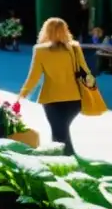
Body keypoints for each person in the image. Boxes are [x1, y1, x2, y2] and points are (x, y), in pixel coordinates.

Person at [18, 17, 93, 157]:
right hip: (74, 98)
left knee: (59, 132)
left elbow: (34, 75)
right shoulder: (75, 48)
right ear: (65, 31)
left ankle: (66, 160)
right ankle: (66, 159)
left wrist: (24, 92)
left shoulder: (40, 50)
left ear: (46, 31)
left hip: (51, 99)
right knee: (61, 130)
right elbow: (85, 71)